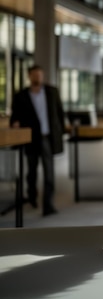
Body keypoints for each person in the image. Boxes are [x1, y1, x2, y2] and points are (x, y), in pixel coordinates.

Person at [10, 65, 66, 216]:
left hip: (47, 137)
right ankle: (32, 197)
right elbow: (15, 117)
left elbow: (59, 113)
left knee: (49, 173)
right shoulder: (21, 96)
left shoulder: (52, 92)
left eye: (40, 75)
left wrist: (61, 132)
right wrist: (15, 123)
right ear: (30, 76)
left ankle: (48, 205)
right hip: (31, 139)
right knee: (31, 172)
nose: (37, 77)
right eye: (34, 75)